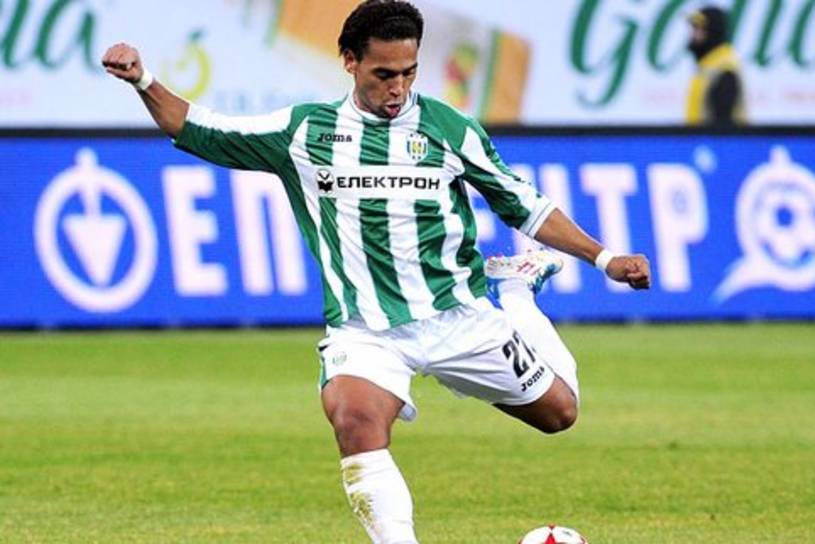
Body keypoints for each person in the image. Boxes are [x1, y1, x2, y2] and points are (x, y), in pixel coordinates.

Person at [102, 1, 650, 542]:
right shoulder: (305, 132)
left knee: (559, 413)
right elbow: (199, 127)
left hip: (459, 316)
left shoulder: (449, 129)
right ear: (349, 61)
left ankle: (516, 290)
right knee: (353, 419)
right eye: (384, 74)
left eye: (409, 73)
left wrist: (604, 258)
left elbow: (523, 204)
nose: (398, 88)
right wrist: (143, 80)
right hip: (366, 330)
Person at [685, 5, 747, 126]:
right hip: (703, 138)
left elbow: (722, 127)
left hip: (714, 139)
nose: (693, 34)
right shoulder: (709, 67)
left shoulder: (724, 70)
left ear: (713, 30)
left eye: (698, 28)